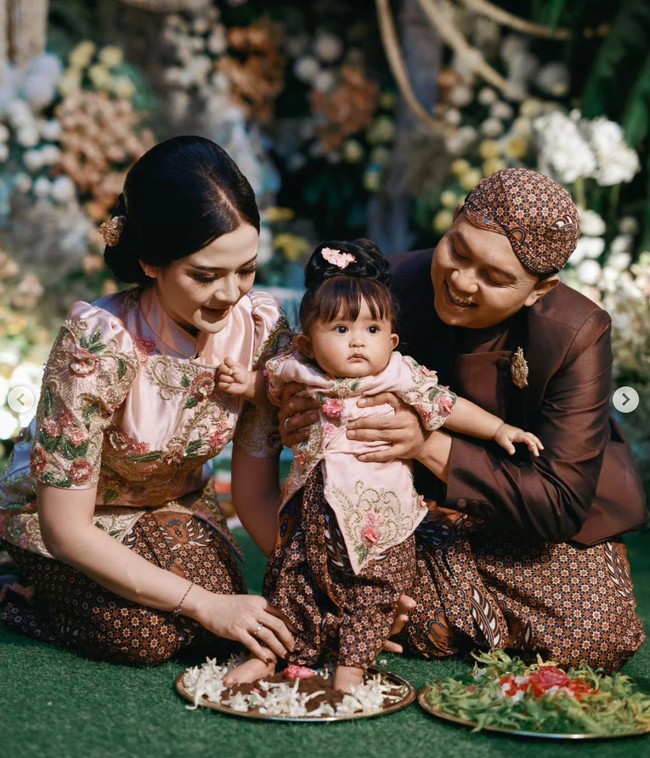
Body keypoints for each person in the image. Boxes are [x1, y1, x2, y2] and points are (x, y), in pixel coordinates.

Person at [280, 169, 647, 672]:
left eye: (495, 278)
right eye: (457, 250)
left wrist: (426, 444)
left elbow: (560, 502)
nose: (460, 281)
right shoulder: (386, 288)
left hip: (527, 520)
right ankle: (377, 605)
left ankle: (378, 611)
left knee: (598, 630)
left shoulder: (576, 332)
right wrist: (300, 417)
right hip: (401, 512)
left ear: (540, 289)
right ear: (452, 222)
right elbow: (309, 380)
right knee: (341, 566)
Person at [0, 135, 297, 666]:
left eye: (246, 269)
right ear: (150, 262)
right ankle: (16, 591)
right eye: (205, 275)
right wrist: (204, 604)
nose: (231, 294)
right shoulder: (98, 344)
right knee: (144, 635)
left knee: (228, 625)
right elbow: (65, 528)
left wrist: (318, 586)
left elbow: (253, 495)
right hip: (70, 524)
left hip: (177, 507)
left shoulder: (260, 329)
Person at [220, 238, 544, 691]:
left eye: (372, 330)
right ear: (307, 342)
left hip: (382, 518)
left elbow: (448, 406)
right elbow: (267, 386)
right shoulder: (300, 370)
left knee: (375, 592)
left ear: (391, 340)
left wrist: (497, 430)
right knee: (292, 584)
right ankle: (272, 655)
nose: (357, 341)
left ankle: (353, 665)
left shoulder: (399, 374)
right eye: (339, 329)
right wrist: (244, 383)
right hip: (309, 513)